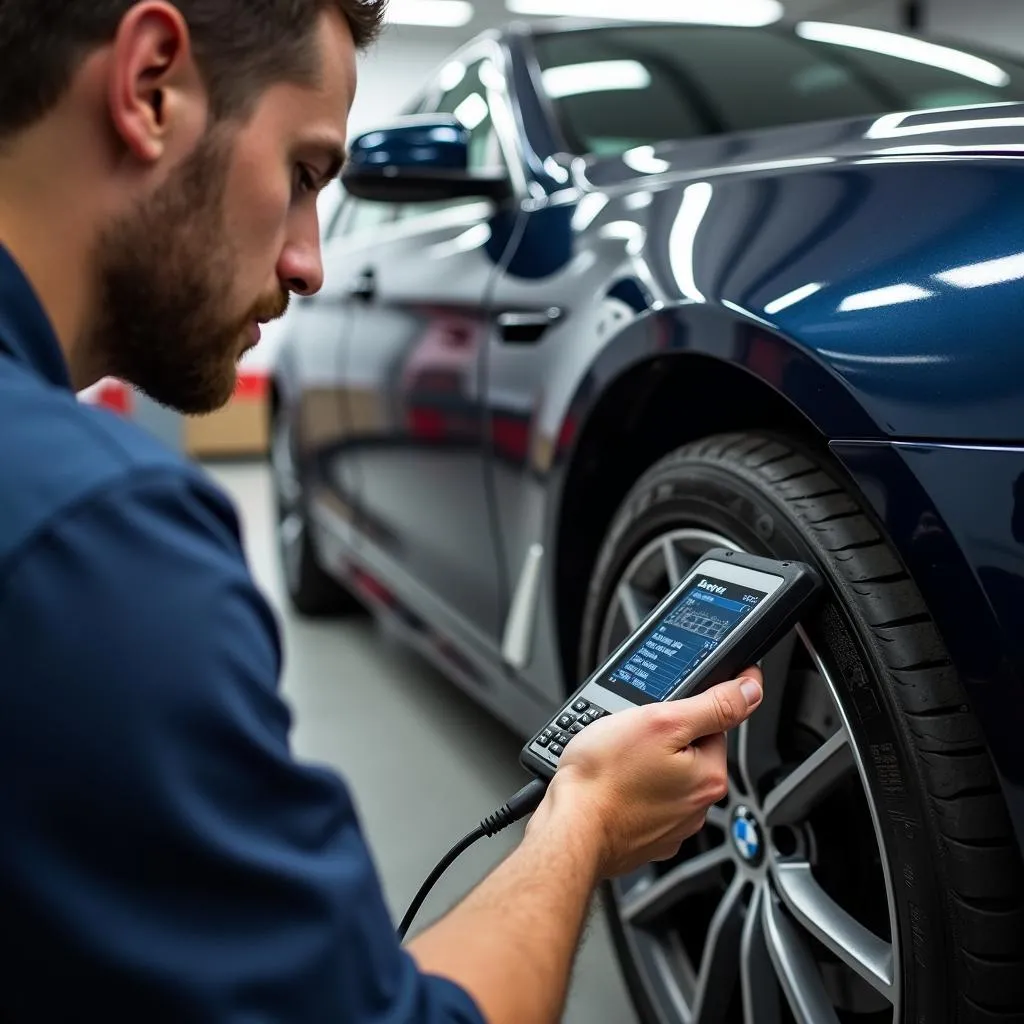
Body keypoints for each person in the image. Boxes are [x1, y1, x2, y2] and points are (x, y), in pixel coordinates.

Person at [0, 2, 765, 1021]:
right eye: (308, 173)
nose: (312, 263)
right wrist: (581, 820)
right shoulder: (100, 535)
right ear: (149, 87)